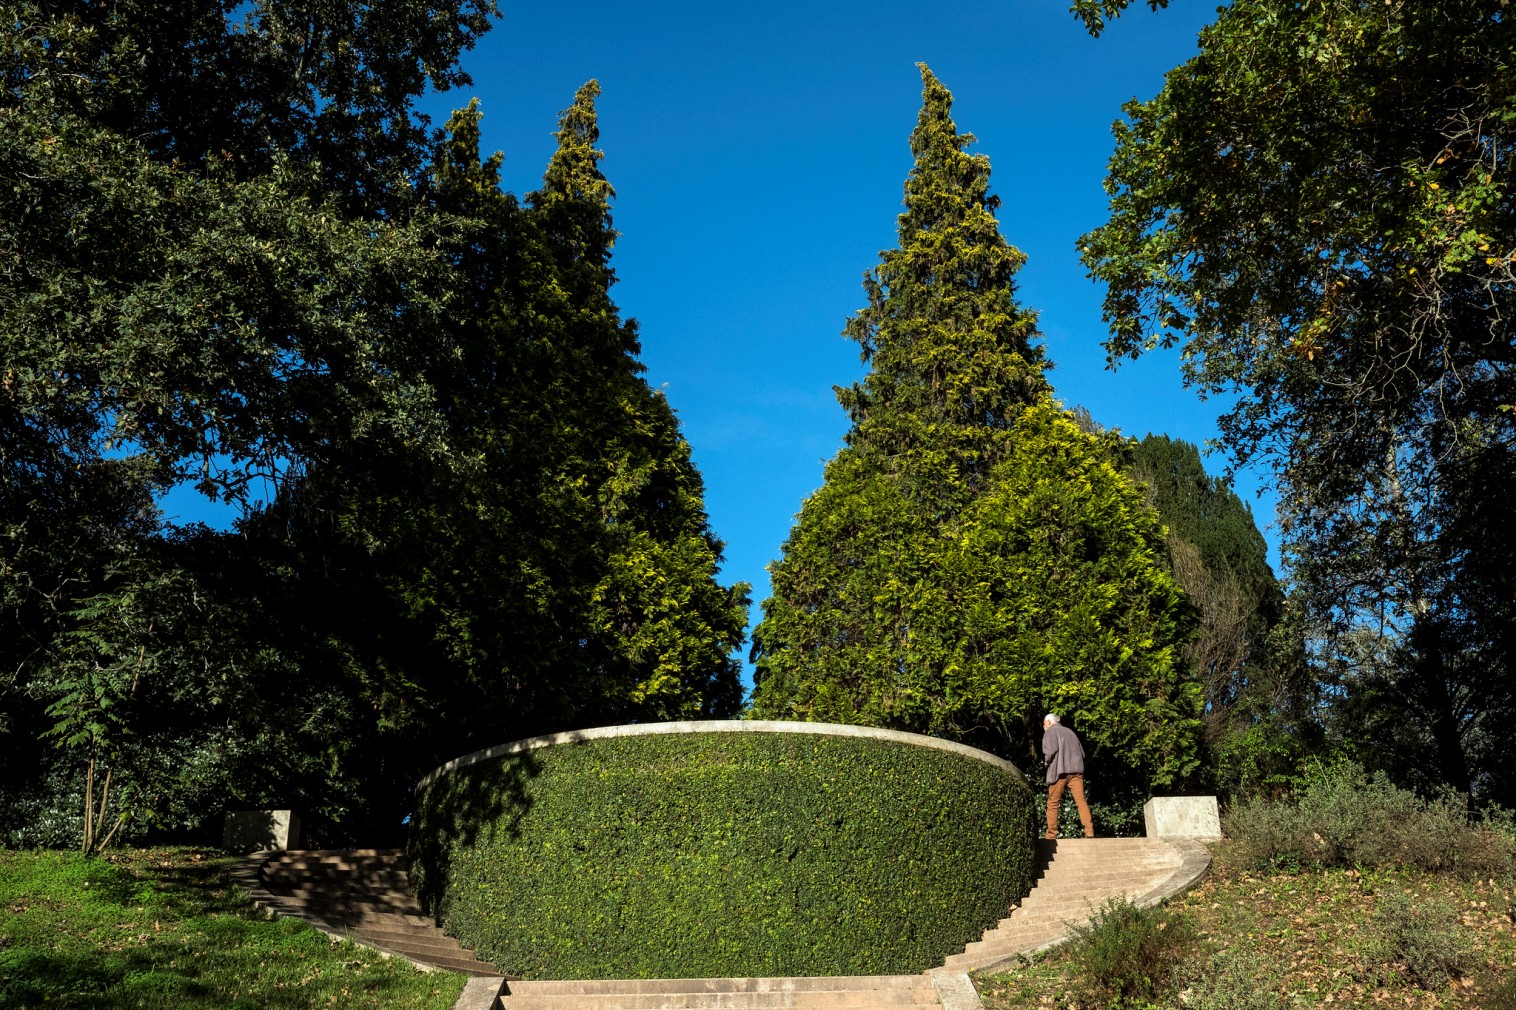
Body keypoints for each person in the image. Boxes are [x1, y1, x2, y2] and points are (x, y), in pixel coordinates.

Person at [1042, 713, 1094, 839]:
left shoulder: (1050, 732)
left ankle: (1051, 835)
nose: (1043, 726)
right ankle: (1089, 831)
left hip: (1059, 772)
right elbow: (1082, 753)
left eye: (1044, 723)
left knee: (1053, 803)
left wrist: (1046, 763)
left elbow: (1050, 752)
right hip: (1076, 771)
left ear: (1049, 722)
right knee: (1081, 801)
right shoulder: (1071, 732)